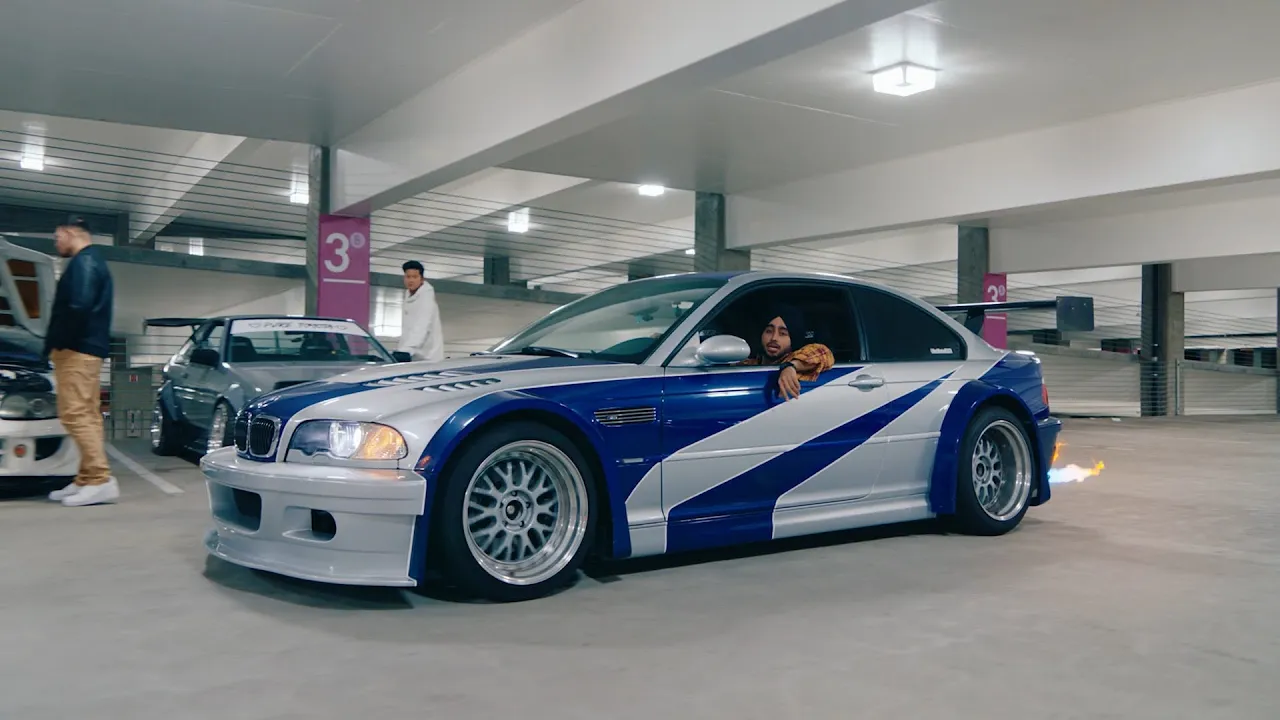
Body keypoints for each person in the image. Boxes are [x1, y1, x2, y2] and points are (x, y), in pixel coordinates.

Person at [45, 216, 118, 507]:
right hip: (87, 349)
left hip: (76, 349)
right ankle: (87, 478)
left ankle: (99, 479)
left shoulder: (84, 262)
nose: (56, 243)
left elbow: (78, 306)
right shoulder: (93, 261)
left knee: (75, 414)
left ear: (69, 232)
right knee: (87, 414)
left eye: (57, 237)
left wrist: (59, 341)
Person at [741, 303, 833, 401]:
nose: (774, 338)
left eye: (782, 333)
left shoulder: (794, 360)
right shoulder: (748, 363)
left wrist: (790, 366)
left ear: (793, 339)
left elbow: (823, 352)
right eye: (769, 331)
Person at [396, 259, 444, 362]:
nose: (411, 280)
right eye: (408, 277)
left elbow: (422, 327)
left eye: (414, 277)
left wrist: (406, 350)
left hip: (428, 359)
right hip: (413, 356)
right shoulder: (408, 296)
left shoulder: (426, 299)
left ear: (422, 279)